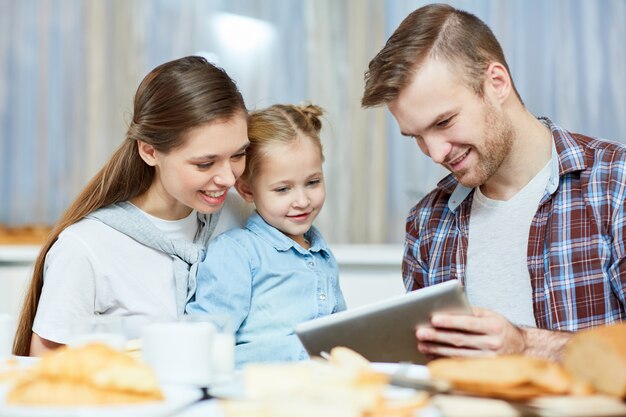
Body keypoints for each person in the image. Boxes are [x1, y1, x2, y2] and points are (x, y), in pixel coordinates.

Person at [361, 3, 626, 362]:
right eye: (416, 136)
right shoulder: (426, 223)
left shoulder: (615, 185)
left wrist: (527, 344)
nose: (435, 153)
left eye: (444, 122)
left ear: (496, 83)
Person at [13, 56, 250, 356]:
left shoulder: (239, 217)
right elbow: (48, 377)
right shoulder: (85, 249)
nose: (228, 178)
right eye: (205, 163)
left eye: (238, 155)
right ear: (150, 151)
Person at [187, 103, 346, 367]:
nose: (302, 201)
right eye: (283, 189)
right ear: (248, 191)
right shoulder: (237, 252)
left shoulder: (321, 253)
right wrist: (303, 353)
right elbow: (207, 344)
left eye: (313, 182)